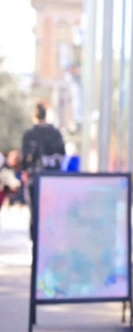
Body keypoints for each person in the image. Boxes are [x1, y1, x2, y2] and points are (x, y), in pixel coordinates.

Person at [21, 102, 66, 239]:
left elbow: (24, 161)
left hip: (35, 178)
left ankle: (36, 250)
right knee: (51, 213)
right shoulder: (55, 133)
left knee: (35, 213)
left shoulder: (29, 134)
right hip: (53, 179)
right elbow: (62, 155)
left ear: (34, 115)